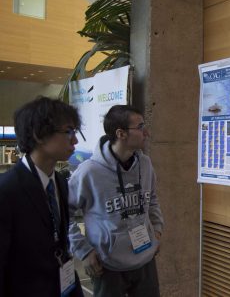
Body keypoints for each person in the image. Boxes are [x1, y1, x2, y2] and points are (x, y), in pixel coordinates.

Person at [68, 105, 164, 297]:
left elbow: (152, 199)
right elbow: (64, 214)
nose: (146, 132)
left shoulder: (145, 164)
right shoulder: (89, 172)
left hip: (145, 260)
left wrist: (157, 229)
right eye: (140, 126)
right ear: (121, 133)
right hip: (108, 266)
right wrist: (84, 251)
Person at [0, 96, 84, 297]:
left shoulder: (60, 182)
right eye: (68, 131)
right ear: (39, 135)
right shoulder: (7, 191)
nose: (75, 140)